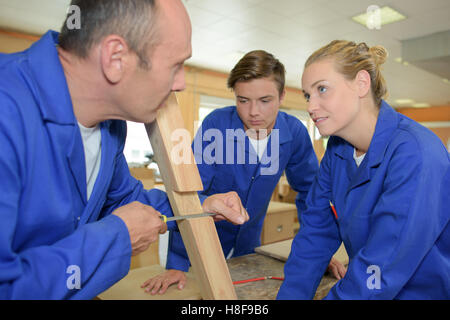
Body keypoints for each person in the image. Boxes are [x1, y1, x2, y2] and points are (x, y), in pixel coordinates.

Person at [0, 0, 248, 300]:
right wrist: (117, 238)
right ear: (115, 58)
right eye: (175, 66)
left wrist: (198, 209)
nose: (182, 83)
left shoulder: (111, 127)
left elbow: (122, 199)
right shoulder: (7, 112)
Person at [142, 50, 347, 295]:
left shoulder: (295, 133)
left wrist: (318, 252)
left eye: (265, 100)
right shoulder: (216, 125)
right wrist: (177, 264)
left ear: (282, 96)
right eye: (243, 100)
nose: (253, 112)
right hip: (201, 244)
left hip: (249, 245)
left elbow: (311, 195)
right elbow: (188, 194)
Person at [277, 40, 450, 299]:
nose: (311, 107)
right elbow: (315, 234)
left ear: (361, 83)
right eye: (307, 95)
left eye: (322, 89)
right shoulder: (337, 150)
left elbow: (381, 267)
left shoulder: (416, 153)